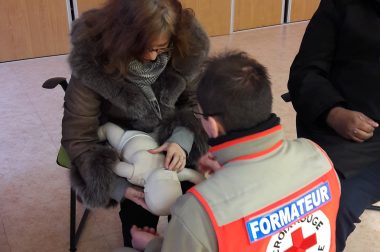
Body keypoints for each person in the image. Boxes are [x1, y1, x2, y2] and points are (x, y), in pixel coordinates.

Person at [129, 51, 341, 251]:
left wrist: (153, 245)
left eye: (199, 114)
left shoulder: (196, 211)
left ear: (212, 125)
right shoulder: (318, 157)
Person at [61, 0, 209, 247]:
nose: (151, 57)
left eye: (161, 48)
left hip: (172, 138)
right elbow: (78, 137)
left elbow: (193, 103)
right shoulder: (93, 61)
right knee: (137, 216)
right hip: (123, 146)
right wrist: (119, 187)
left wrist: (181, 141)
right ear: (120, 37)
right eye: (141, 48)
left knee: (190, 212)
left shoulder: (186, 51)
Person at [287, 0, 380, 250]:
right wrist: (334, 113)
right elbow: (304, 74)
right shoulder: (342, 5)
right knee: (326, 207)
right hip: (346, 135)